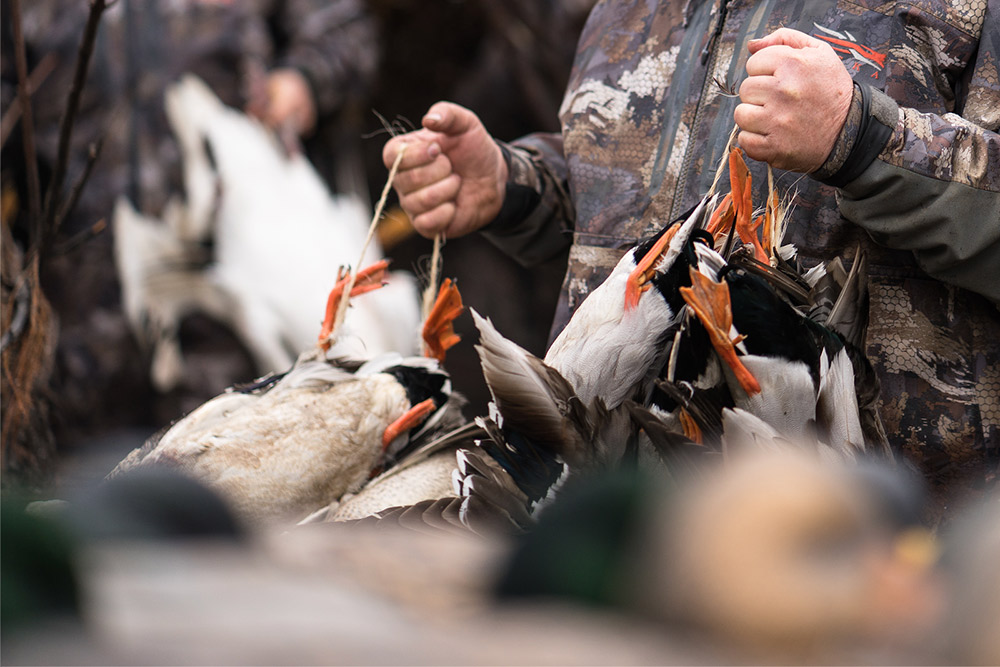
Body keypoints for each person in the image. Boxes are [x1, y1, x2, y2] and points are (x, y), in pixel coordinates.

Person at [383, 0, 1000, 520]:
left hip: (874, 548)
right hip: (604, 517)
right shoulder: (624, 11)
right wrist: (515, 186)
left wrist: (868, 138)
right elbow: (638, 203)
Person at [1, 0, 378, 451]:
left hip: (236, 322)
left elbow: (347, 30)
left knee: (249, 487)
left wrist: (303, 80)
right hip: (78, 340)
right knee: (90, 506)